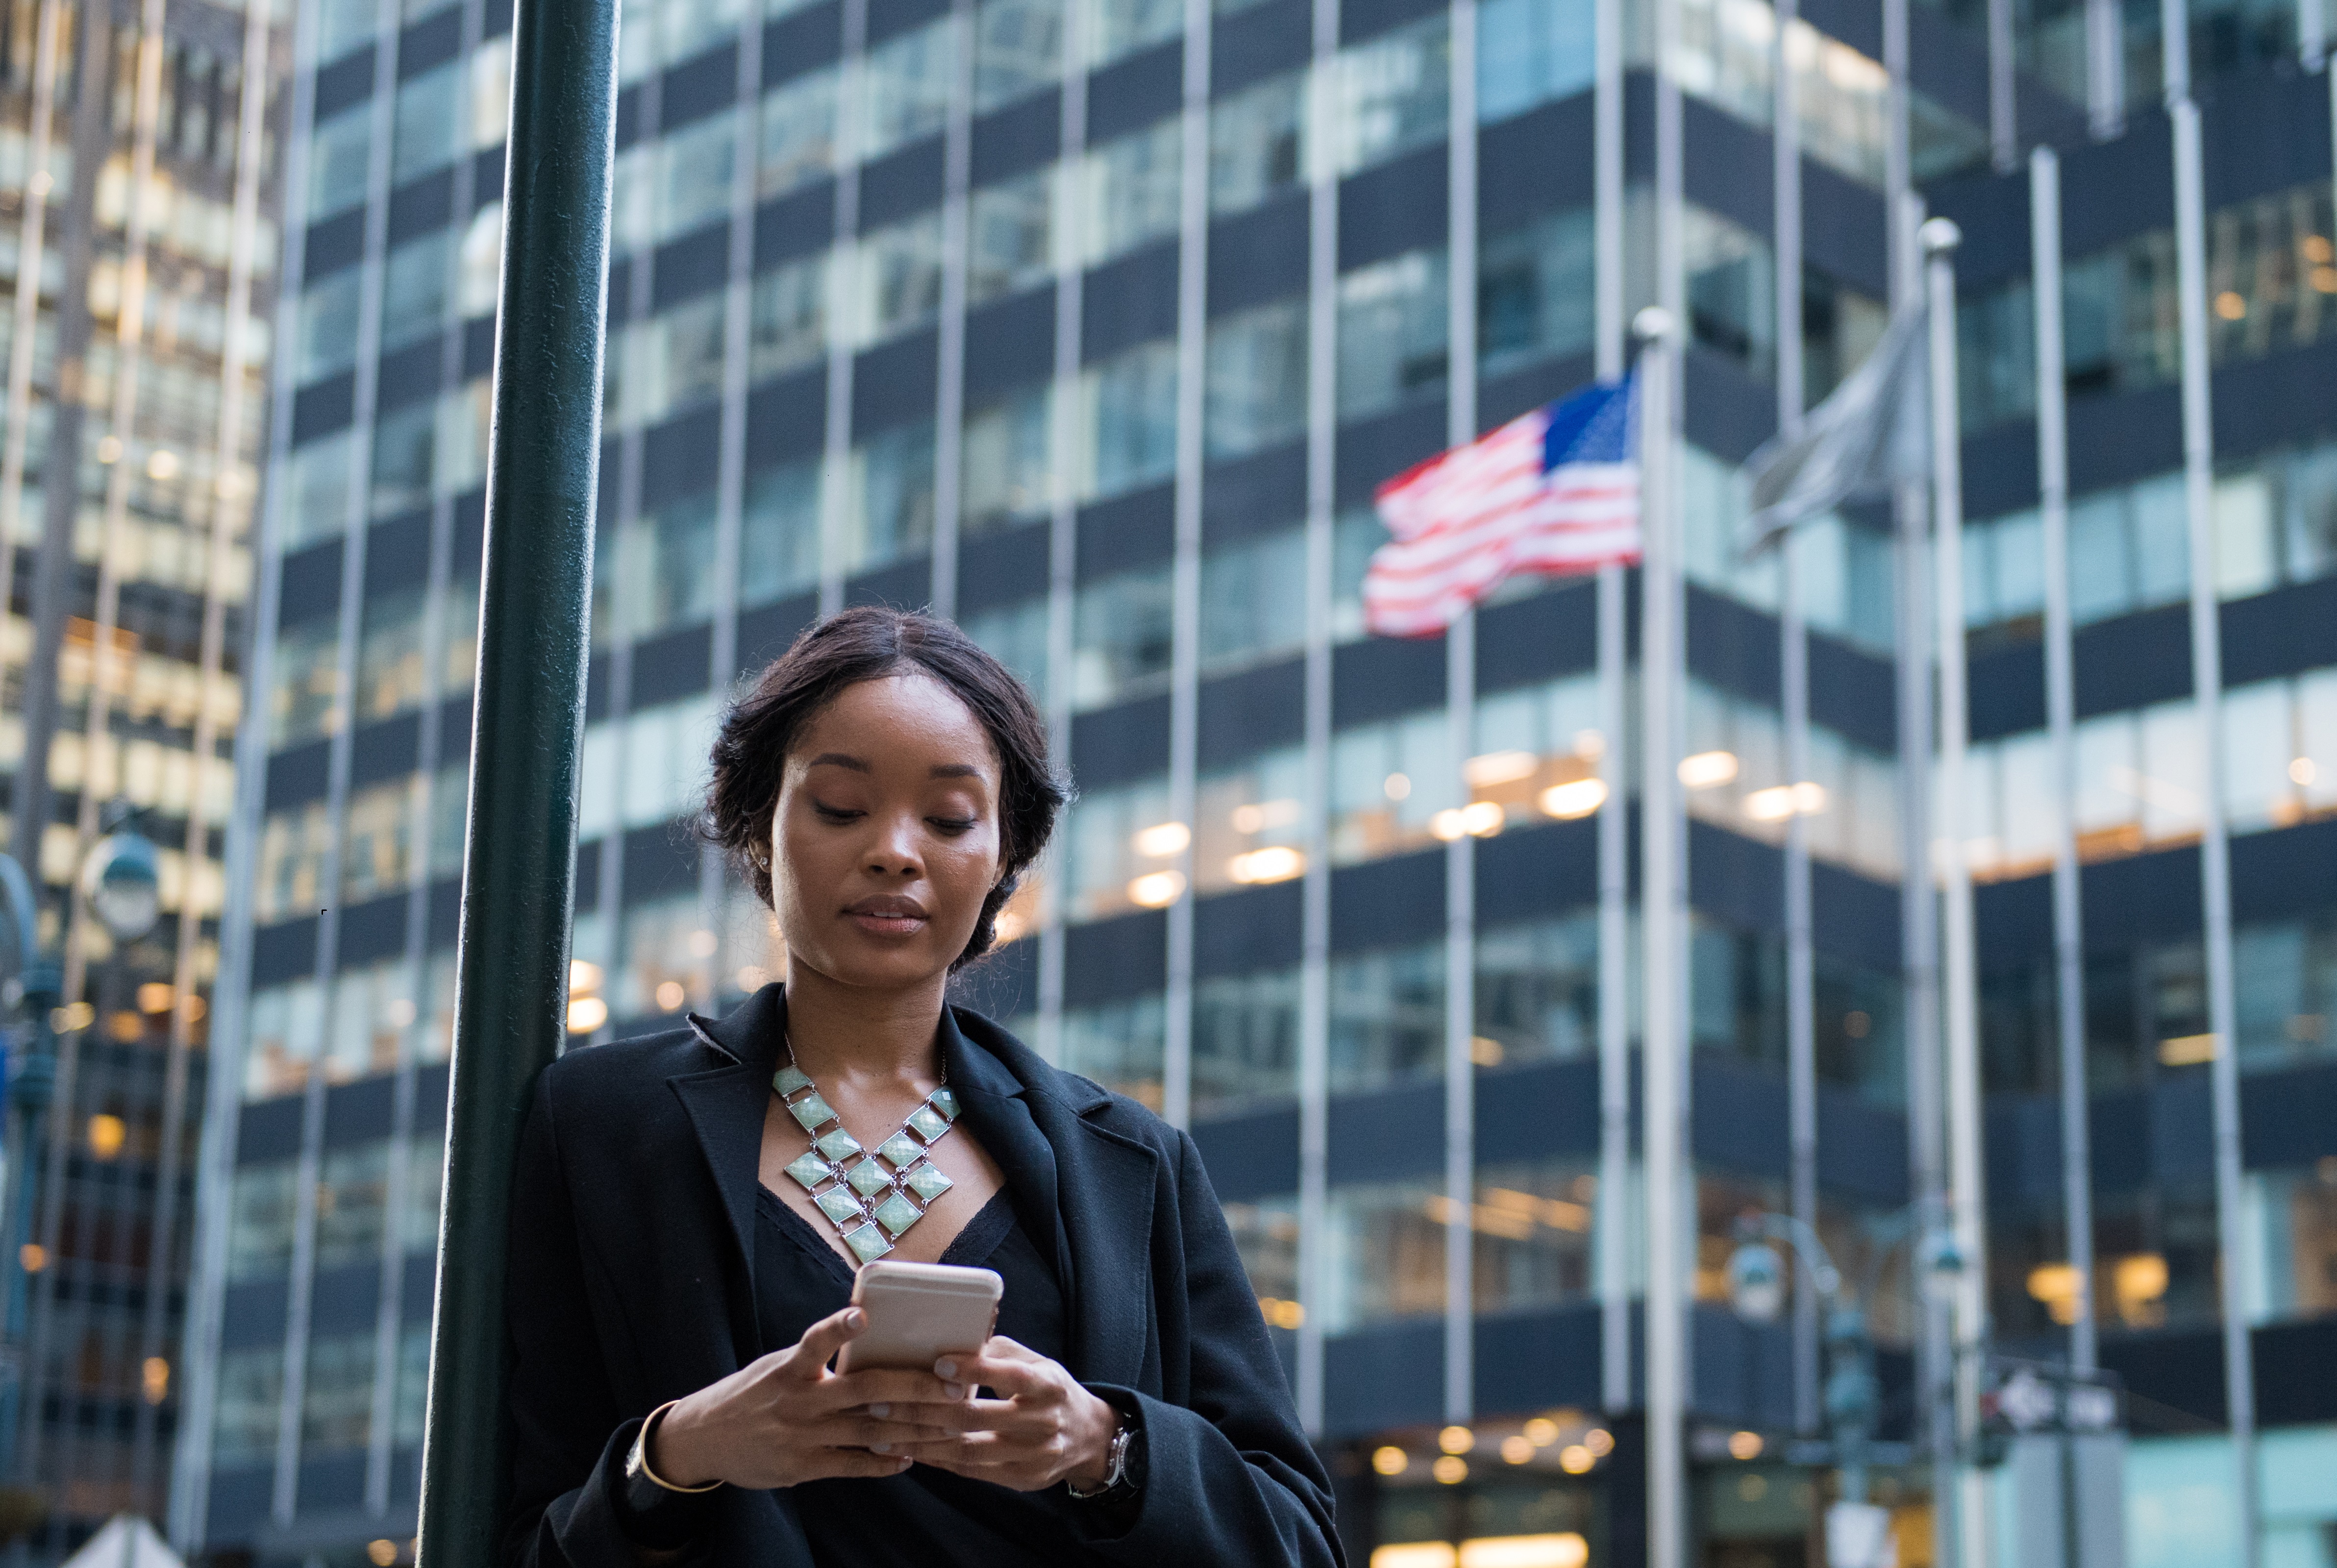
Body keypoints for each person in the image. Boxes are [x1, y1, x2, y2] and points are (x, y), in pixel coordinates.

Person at [501, 606, 1343, 1567]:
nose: (895, 850)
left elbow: (1301, 1540)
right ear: (758, 832)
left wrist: (1103, 1446)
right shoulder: (601, 1126)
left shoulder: (1133, 1164)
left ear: (1001, 861)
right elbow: (524, 1532)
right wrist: (680, 1454)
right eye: (839, 806)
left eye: (948, 818)